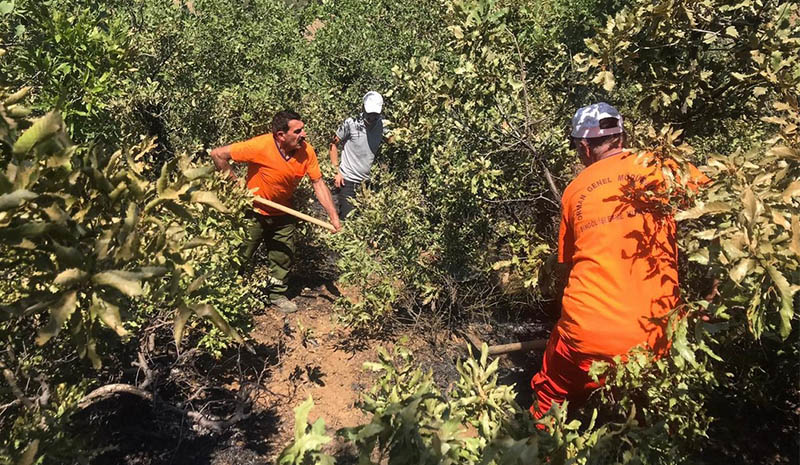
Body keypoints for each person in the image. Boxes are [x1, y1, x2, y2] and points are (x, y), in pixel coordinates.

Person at [530, 102, 706, 418]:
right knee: (653, 412)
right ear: (621, 137)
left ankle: (538, 435)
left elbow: (568, 265)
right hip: (660, 335)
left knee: (551, 391)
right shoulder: (661, 167)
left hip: (587, 335)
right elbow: (723, 198)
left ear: (584, 147)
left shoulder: (574, 191)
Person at [210, 110, 341, 314]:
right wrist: (236, 187)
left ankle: (277, 294)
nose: (304, 134)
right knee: (240, 254)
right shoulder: (261, 145)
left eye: (303, 129)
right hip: (252, 211)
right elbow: (217, 154)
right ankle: (226, 295)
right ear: (281, 135)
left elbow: (318, 183)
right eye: (297, 131)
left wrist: (333, 216)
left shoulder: (307, 152)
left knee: (283, 255)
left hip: (283, 212)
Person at [329, 91, 387, 219]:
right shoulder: (351, 123)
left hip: (366, 182)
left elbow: (393, 141)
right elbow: (333, 144)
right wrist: (336, 171)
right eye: (369, 114)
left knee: (366, 220)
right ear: (363, 108)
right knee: (348, 219)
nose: (371, 118)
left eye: (375, 114)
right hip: (347, 180)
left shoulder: (383, 125)